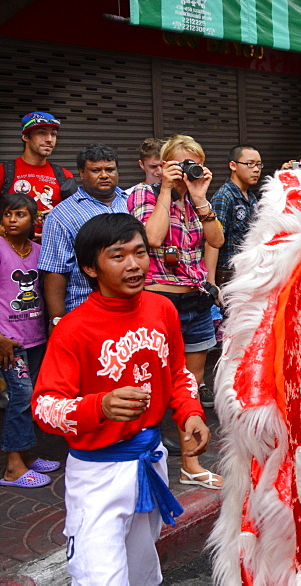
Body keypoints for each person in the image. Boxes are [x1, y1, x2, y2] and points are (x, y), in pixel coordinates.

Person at [32, 213, 209, 584]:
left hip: (149, 462)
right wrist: (100, 406)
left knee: (143, 571)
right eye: (118, 256)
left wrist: (190, 412)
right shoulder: (74, 330)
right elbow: (45, 408)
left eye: (140, 252)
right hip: (97, 475)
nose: (134, 265)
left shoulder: (162, 309)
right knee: (99, 577)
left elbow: (177, 372)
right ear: (90, 268)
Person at [129, 135, 224, 488]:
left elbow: (216, 241)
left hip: (195, 302)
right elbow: (152, 238)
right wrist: (166, 190)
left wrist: (199, 197)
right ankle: (144, 463)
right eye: (180, 164)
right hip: (158, 302)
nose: (187, 170)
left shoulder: (197, 199)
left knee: (191, 386)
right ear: (165, 164)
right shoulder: (143, 194)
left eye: (193, 162)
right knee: (150, 384)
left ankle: (190, 464)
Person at [0, 194, 59, 488]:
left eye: (19, 214)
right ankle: (12, 468)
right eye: (7, 214)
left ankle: (26, 455)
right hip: (9, 342)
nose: (12, 220)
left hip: (35, 338)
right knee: (20, 397)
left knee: (33, 397)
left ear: (34, 220)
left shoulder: (38, 251)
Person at [39, 145, 129, 323]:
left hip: (131, 307)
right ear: (81, 173)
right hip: (85, 312)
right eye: (95, 170)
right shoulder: (63, 215)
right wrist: (56, 319)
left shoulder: (133, 201)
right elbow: (55, 271)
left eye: (110, 169)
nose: (104, 175)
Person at [0, 112, 76, 238]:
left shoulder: (64, 175)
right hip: (12, 252)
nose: (49, 139)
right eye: (41, 133)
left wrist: (60, 216)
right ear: (26, 137)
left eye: (53, 134)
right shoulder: (4, 172)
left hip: (52, 250)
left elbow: (75, 217)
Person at [206, 145, 261, 288]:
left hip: (249, 272)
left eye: (259, 165)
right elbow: (212, 242)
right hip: (229, 275)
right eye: (250, 164)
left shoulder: (252, 197)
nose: (256, 169)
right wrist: (211, 282)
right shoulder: (224, 196)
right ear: (233, 165)